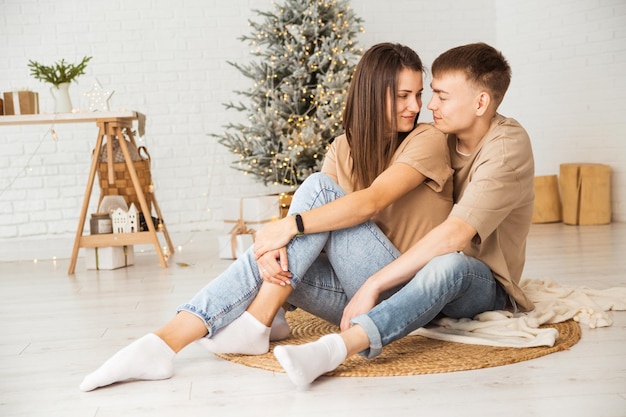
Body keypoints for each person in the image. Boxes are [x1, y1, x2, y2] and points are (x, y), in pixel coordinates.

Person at [79, 42, 454, 391]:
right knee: (284, 240)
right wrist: (272, 251)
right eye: (403, 95)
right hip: (354, 297)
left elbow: (372, 201)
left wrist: (287, 227)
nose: (415, 105)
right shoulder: (345, 147)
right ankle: (169, 341)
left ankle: (247, 322)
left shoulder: (428, 139)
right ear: (372, 96)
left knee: (318, 191)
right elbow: (319, 234)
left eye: (418, 94)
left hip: (405, 290)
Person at [272, 42, 536, 387]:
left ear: (481, 102)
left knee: (450, 264)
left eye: (441, 96)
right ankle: (247, 317)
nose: (428, 106)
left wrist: (374, 283)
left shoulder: (506, 147)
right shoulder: (439, 139)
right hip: (416, 280)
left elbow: (456, 235)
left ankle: (337, 349)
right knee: (288, 254)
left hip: (481, 283)